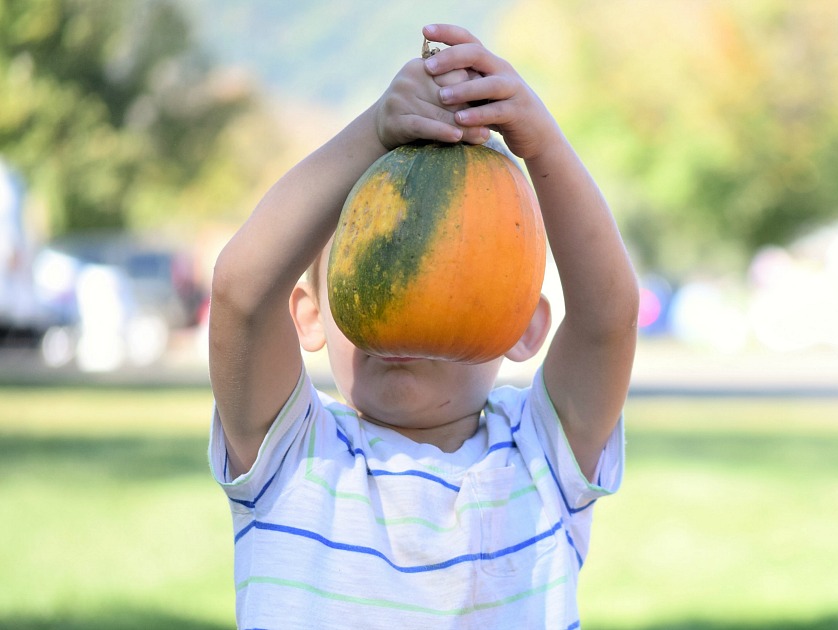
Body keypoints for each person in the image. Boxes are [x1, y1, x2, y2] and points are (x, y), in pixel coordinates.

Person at [207, 24, 639, 628]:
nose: (413, 295)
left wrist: (541, 147)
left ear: (526, 324)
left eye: (458, 273)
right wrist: (374, 130)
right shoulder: (292, 458)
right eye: (375, 266)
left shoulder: (542, 459)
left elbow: (607, 319)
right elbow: (240, 294)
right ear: (310, 316)